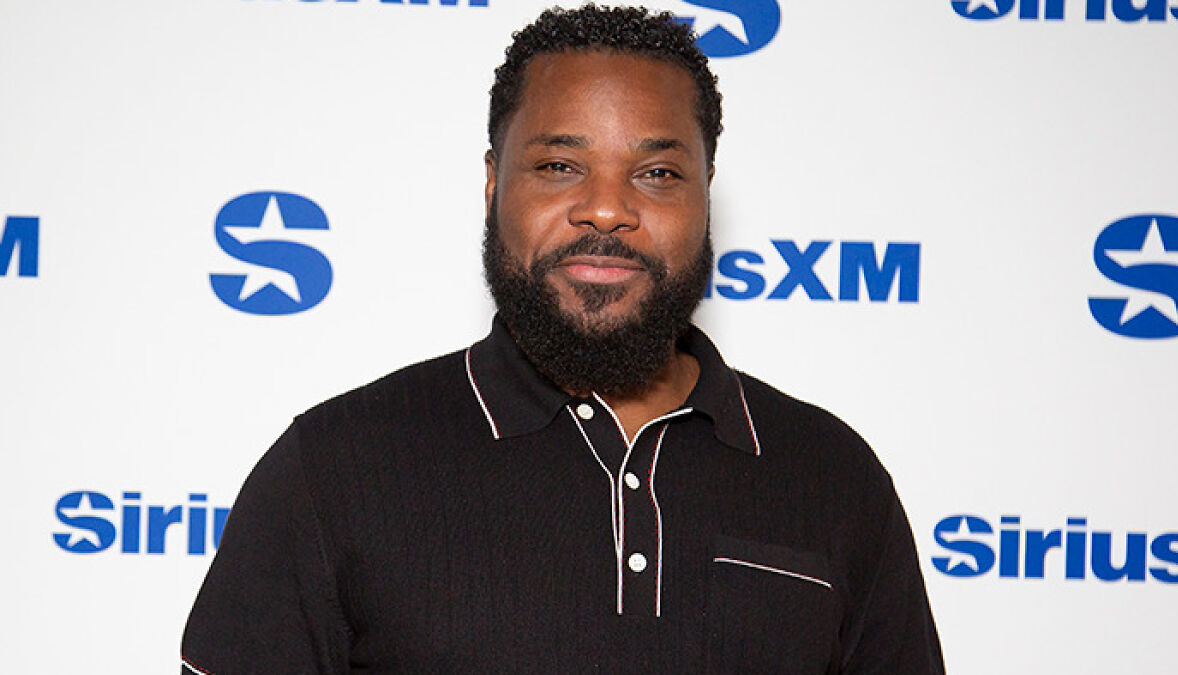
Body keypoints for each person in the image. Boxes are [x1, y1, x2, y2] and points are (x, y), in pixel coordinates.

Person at [181, 5, 944, 673]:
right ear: (492, 183)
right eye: (558, 165)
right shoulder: (332, 470)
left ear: (706, 192)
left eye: (656, 173)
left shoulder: (835, 478)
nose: (605, 209)